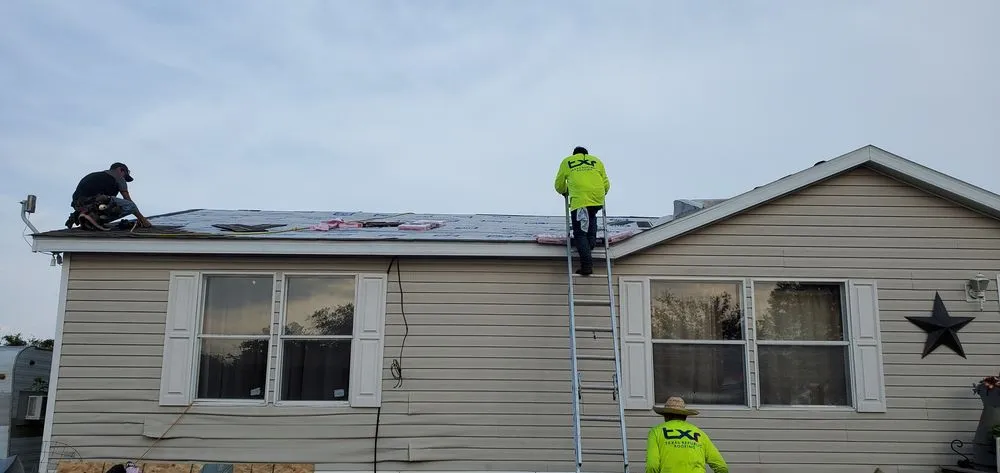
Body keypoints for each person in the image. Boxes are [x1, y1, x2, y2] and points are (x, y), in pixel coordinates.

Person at [553, 146, 610, 276]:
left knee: (580, 234)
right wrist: (600, 194)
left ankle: (587, 266)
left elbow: (559, 184)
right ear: (586, 154)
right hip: (596, 199)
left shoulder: (568, 161)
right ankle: (589, 247)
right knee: (590, 222)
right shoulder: (596, 161)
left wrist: (565, 191)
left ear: (574, 154)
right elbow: (606, 184)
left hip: (580, 200)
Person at [645, 397, 729, 473]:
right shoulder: (699, 433)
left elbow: (652, 465)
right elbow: (722, 467)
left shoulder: (656, 432)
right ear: (685, 416)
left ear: (665, 415)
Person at [68, 162, 152, 229]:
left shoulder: (94, 175)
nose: (124, 179)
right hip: (94, 202)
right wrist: (143, 220)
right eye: (125, 175)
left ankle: (89, 217)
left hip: (79, 205)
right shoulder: (118, 177)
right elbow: (128, 200)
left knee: (109, 205)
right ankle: (95, 219)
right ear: (120, 170)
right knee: (130, 206)